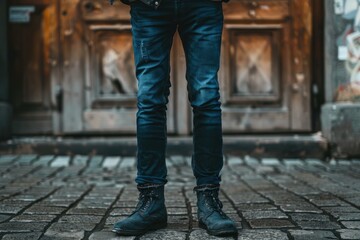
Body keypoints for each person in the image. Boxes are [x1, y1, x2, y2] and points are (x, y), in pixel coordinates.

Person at [110, 0, 238, 236]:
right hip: (149, 6)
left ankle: (209, 200)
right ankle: (151, 201)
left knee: (206, 96)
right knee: (150, 98)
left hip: (203, 5)